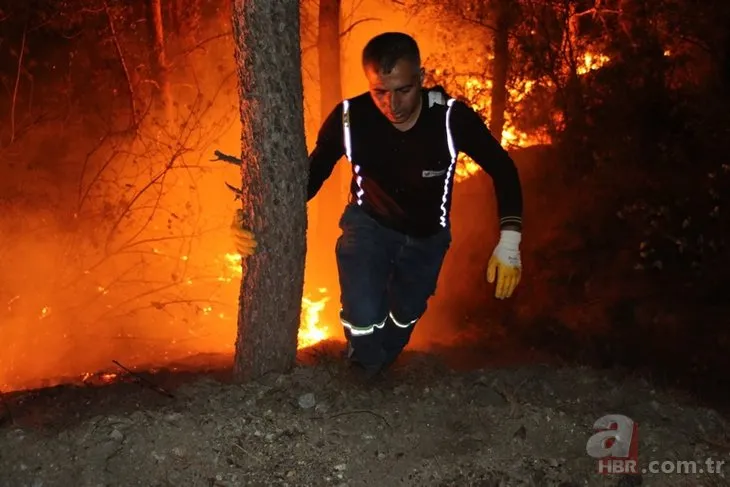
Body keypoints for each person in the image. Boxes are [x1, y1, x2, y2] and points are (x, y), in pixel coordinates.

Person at [232, 32, 524, 379]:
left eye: (403, 90)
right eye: (380, 92)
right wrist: (250, 216)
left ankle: (379, 362)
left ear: (422, 77)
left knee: (403, 317)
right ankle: (361, 370)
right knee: (363, 311)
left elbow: (503, 169)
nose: (392, 105)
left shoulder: (450, 118)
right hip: (368, 225)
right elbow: (307, 180)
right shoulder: (349, 118)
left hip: (427, 237)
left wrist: (510, 241)